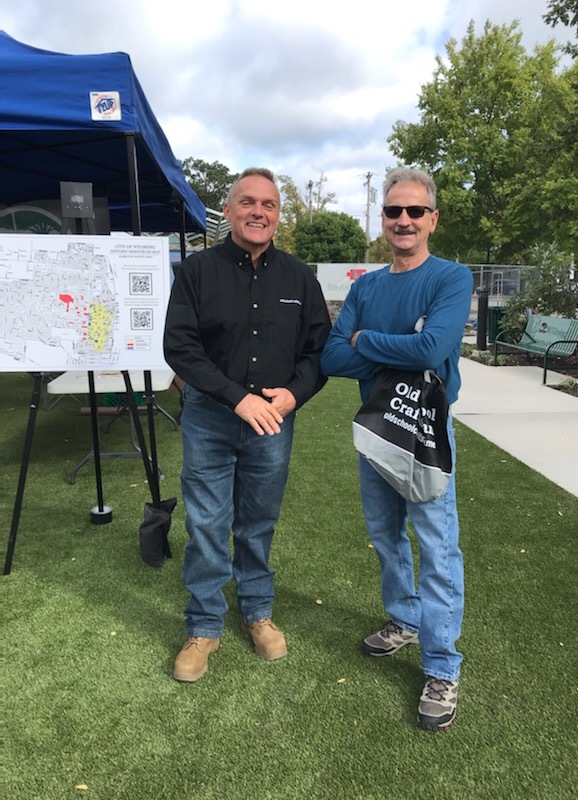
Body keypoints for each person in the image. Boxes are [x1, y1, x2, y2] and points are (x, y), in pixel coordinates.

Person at [321, 167, 473, 731]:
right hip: (376, 429)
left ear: (432, 218)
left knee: (436, 546)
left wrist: (367, 340)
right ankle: (404, 619)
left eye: (414, 211)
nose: (403, 221)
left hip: (428, 429)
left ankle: (441, 664)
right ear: (382, 220)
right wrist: (402, 347)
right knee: (386, 538)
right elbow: (334, 359)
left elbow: (435, 348)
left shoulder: (451, 277)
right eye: (393, 212)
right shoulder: (366, 286)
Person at [164, 167, 331, 682]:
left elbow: (319, 350)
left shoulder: (300, 277)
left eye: (270, 205)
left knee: (258, 521)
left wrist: (293, 395)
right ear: (230, 211)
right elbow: (181, 347)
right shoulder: (197, 272)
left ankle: (257, 611)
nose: (259, 212)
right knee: (207, 524)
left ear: (278, 215)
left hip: (273, 422)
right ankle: (204, 625)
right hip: (212, 418)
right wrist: (236, 398)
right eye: (248, 203)